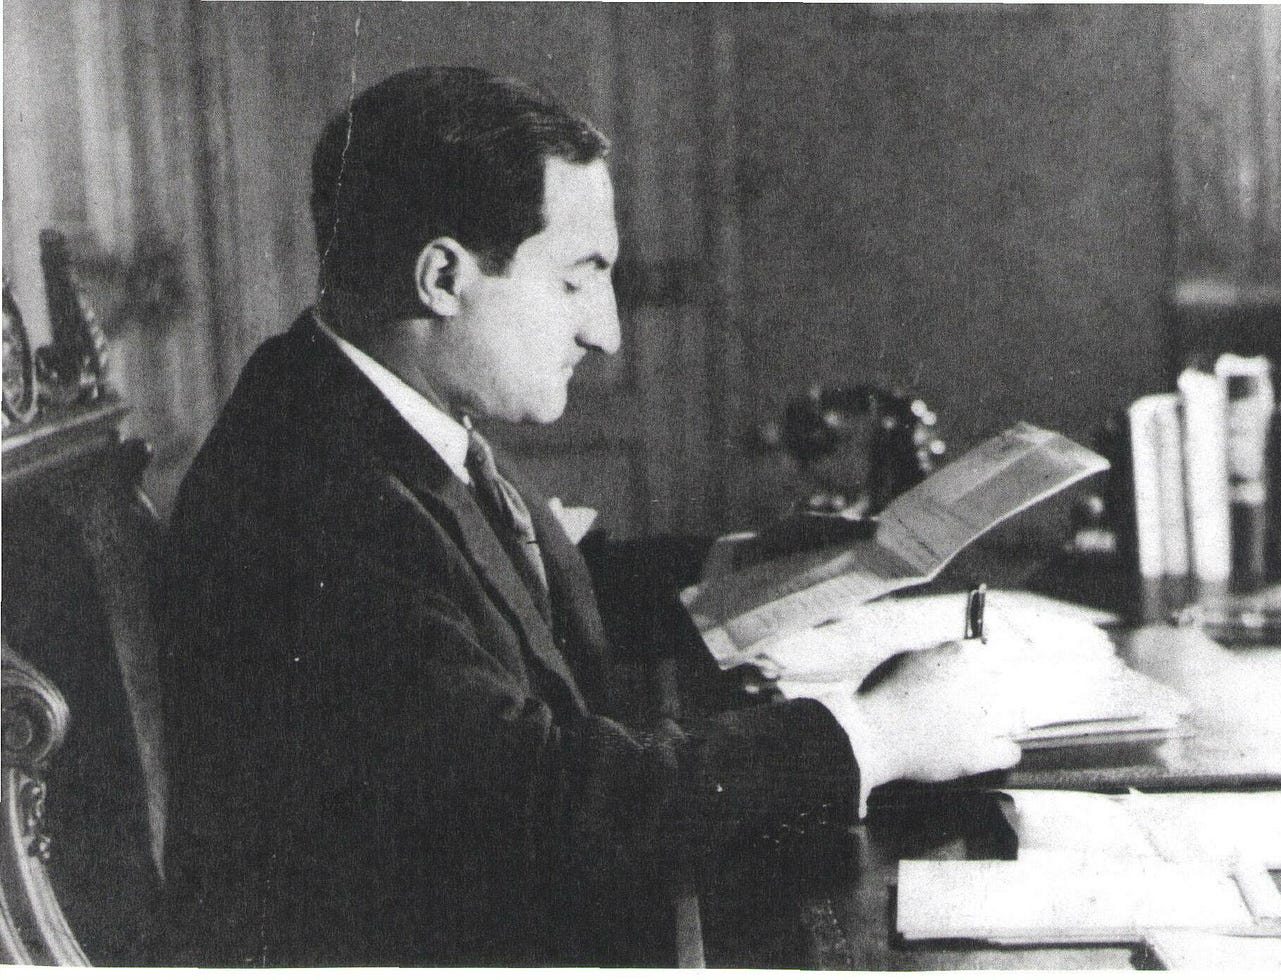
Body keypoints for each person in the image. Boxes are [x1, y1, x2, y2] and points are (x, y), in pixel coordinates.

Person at [158, 66, 1020, 967]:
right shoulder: (313, 499)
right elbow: (541, 803)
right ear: (443, 277)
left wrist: (752, 566)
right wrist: (874, 737)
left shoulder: (353, 406)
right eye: (578, 281)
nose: (605, 332)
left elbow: (510, 597)